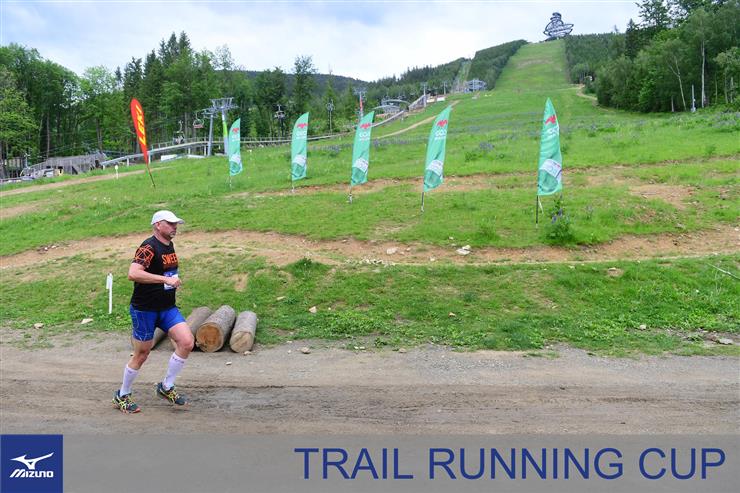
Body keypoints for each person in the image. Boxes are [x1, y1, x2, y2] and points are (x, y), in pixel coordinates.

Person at [113, 210, 194, 413]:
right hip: (144, 310)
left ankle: (166, 386)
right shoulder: (148, 247)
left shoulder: (169, 245)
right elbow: (133, 273)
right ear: (158, 225)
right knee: (142, 354)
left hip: (167, 308)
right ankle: (122, 394)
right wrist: (165, 279)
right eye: (170, 223)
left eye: (176, 224)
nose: (175, 227)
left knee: (186, 342)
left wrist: (169, 280)